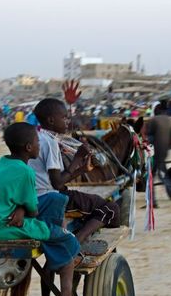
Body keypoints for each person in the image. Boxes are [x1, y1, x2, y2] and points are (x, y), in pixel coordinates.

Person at [0, 123, 90, 296]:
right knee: (67, 239)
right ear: (29, 147)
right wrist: (25, 209)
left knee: (56, 199)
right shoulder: (26, 172)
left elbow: (25, 204)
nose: (40, 145)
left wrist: (22, 208)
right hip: (6, 228)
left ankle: (54, 250)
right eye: (37, 142)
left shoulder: (2, 163)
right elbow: (33, 210)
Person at [29, 98, 120, 247]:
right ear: (51, 120)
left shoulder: (37, 138)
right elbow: (57, 184)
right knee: (111, 208)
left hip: (36, 196)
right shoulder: (50, 143)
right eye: (64, 117)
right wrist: (77, 158)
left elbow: (57, 179)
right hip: (49, 198)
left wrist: (82, 169)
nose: (67, 121)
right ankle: (76, 241)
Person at [146, 103, 171, 207]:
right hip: (165, 152)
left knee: (151, 175)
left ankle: (152, 202)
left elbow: (149, 136)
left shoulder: (153, 120)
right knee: (161, 171)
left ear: (156, 111)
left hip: (155, 151)